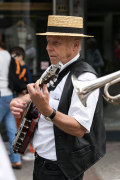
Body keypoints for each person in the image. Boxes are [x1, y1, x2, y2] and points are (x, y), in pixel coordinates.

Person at [10, 15, 106, 180]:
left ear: (75, 45)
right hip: (42, 162)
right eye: (48, 42)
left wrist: (47, 111)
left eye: (56, 42)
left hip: (61, 169)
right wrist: (18, 101)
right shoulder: (54, 69)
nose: (48, 48)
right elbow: (36, 92)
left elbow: (79, 128)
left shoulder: (84, 78)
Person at [10, 46, 35, 161]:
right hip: (21, 99)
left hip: (24, 99)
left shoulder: (24, 68)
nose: (12, 58)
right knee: (19, 125)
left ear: (20, 56)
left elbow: (28, 85)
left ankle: (31, 150)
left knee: (26, 125)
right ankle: (24, 149)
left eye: (14, 55)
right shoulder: (18, 67)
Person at [0, 36, 21, 169]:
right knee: (12, 129)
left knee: (12, 129)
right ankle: (16, 160)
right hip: (10, 95)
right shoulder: (8, 55)